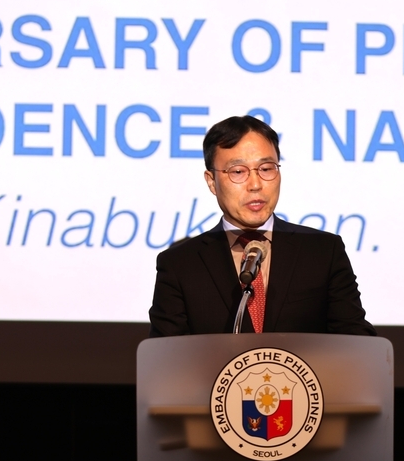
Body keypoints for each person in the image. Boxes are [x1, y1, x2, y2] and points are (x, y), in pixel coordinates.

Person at [148, 115, 376, 337]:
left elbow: (357, 345)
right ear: (211, 182)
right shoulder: (180, 264)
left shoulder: (323, 252)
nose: (255, 184)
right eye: (238, 172)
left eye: (266, 169)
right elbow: (168, 361)